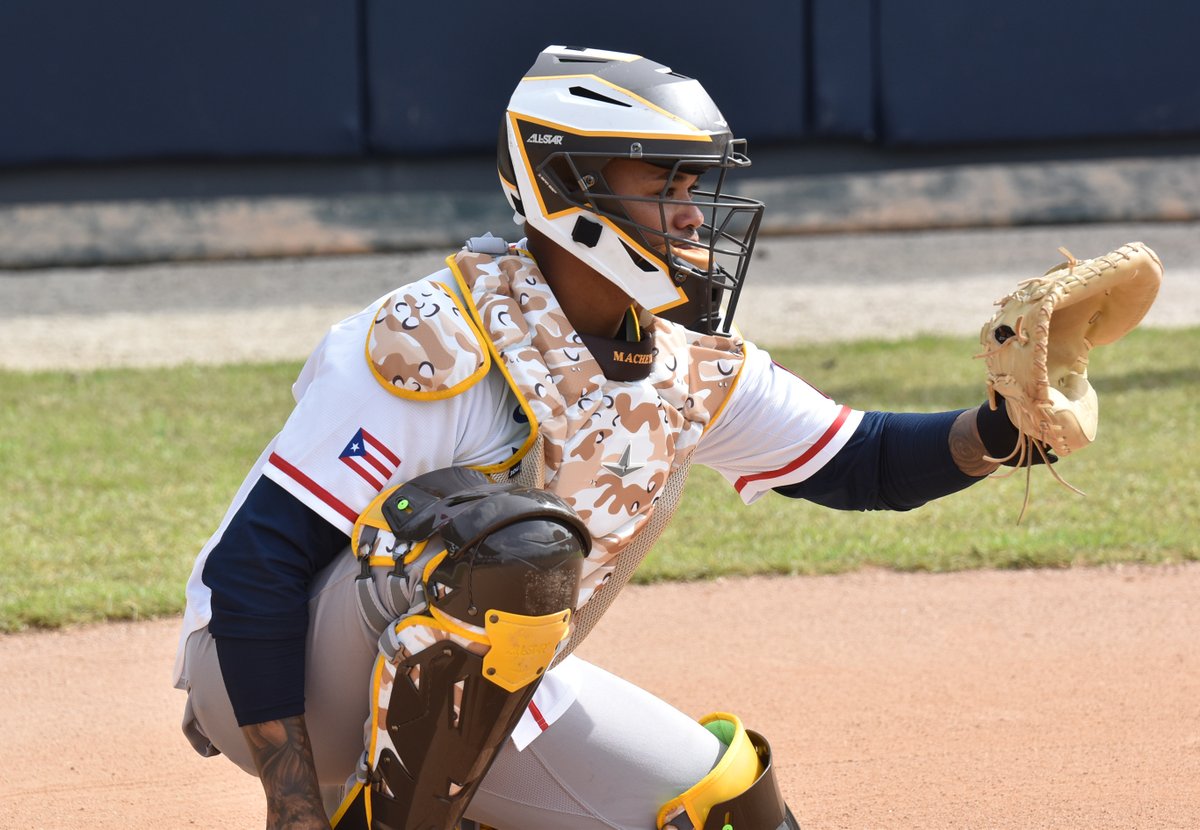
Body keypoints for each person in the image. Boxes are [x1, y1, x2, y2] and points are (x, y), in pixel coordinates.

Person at [174, 45, 1030, 830]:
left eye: (695, 188)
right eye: (665, 183)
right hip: (266, 673)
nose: (694, 217)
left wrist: (1007, 426)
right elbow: (255, 572)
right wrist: (290, 805)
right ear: (567, 183)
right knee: (513, 545)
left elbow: (861, 459)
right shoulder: (437, 339)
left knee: (729, 809)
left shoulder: (679, 363)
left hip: (468, 686)